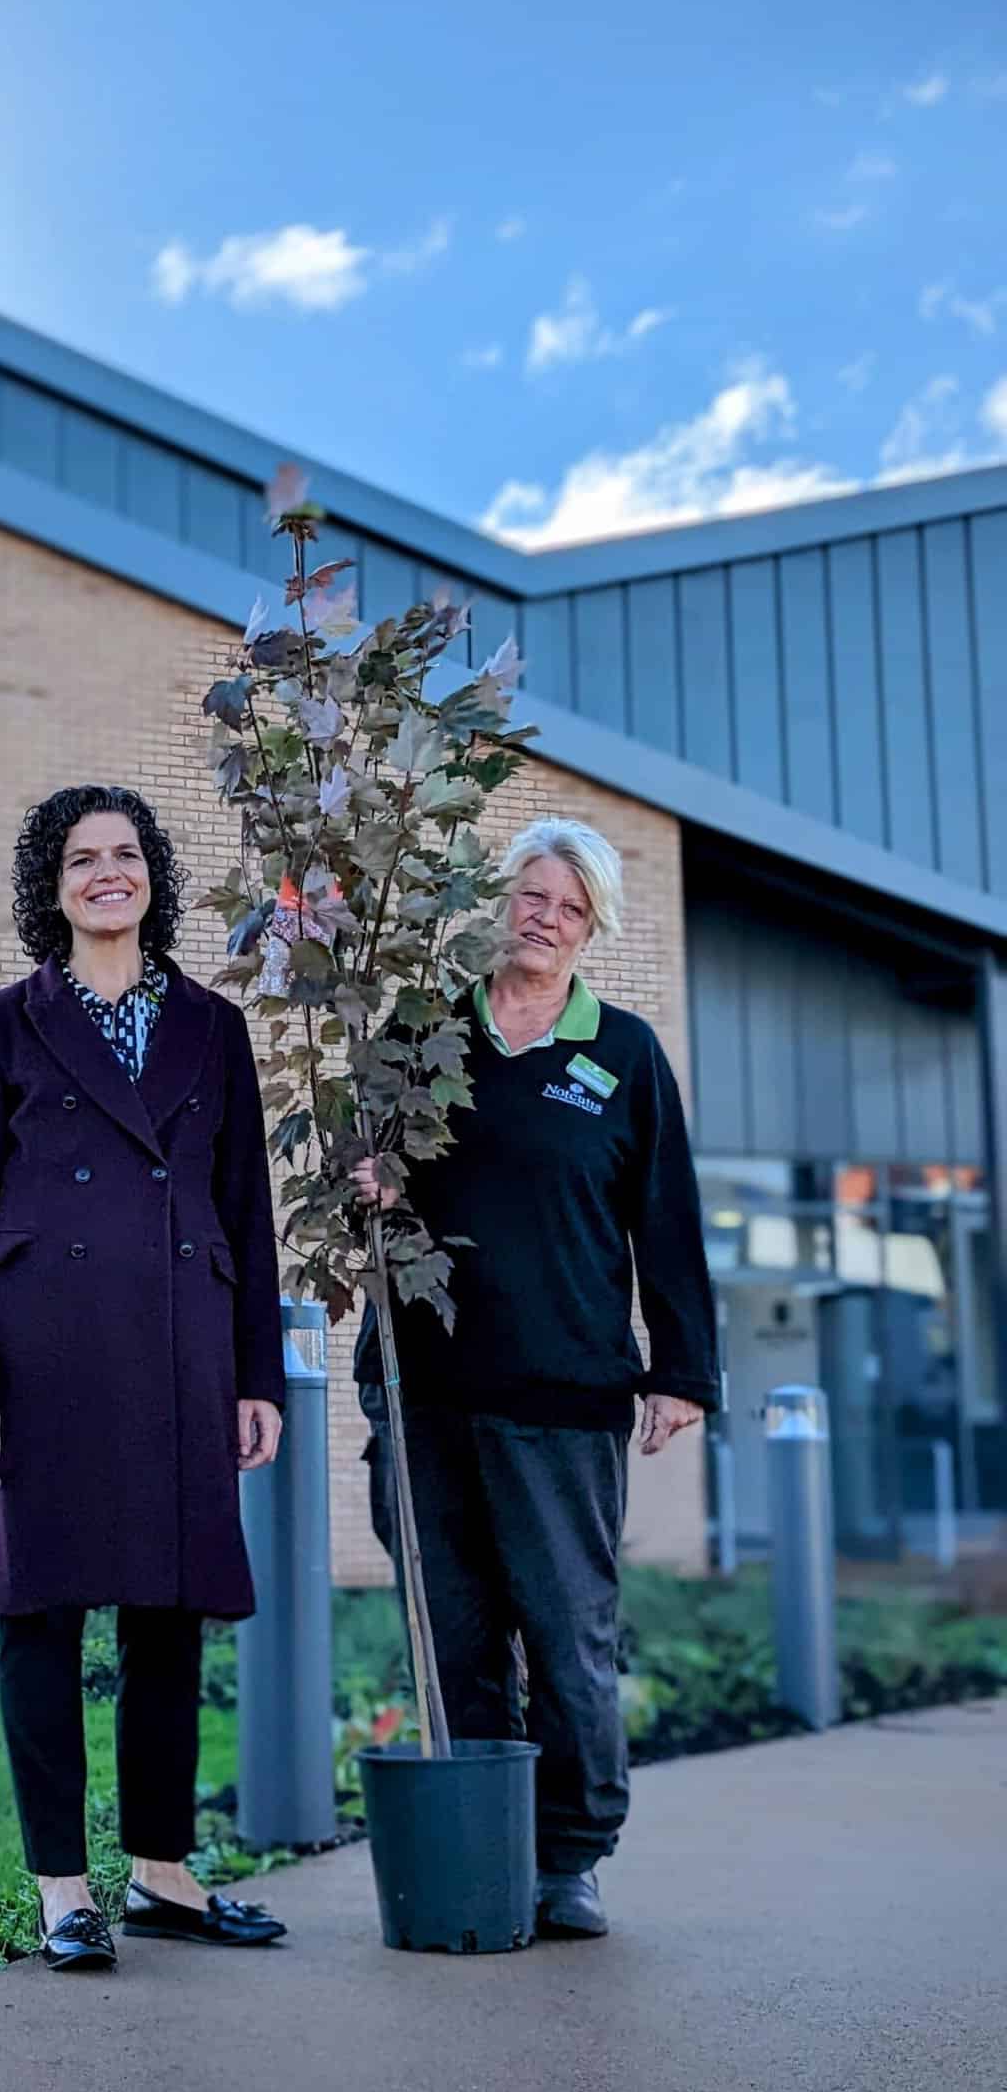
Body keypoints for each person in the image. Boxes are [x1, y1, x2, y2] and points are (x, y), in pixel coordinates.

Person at [0, 784, 290, 1970]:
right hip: (40, 1355)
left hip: (184, 1347)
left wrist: (258, 1375)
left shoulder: (212, 1025)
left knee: (169, 1615)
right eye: (81, 858)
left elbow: (246, 1208)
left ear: (152, 874)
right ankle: (63, 1890)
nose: (106, 872)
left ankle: (164, 1873)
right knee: (40, 1617)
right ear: (54, 885)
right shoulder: (4, 1023)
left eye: (124, 852)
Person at [355, 817, 719, 1941]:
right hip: (426, 1387)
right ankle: (486, 1845)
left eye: (569, 905)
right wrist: (366, 1179)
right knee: (456, 1634)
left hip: (563, 1391)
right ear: (498, 899)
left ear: (592, 926)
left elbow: (666, 1218)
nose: (544, 917)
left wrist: (681, 1370)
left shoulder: (624, 1054)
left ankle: (569, 1853)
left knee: (568, 1638)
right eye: (530, 894)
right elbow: (370, 1177)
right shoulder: (423, 1033)